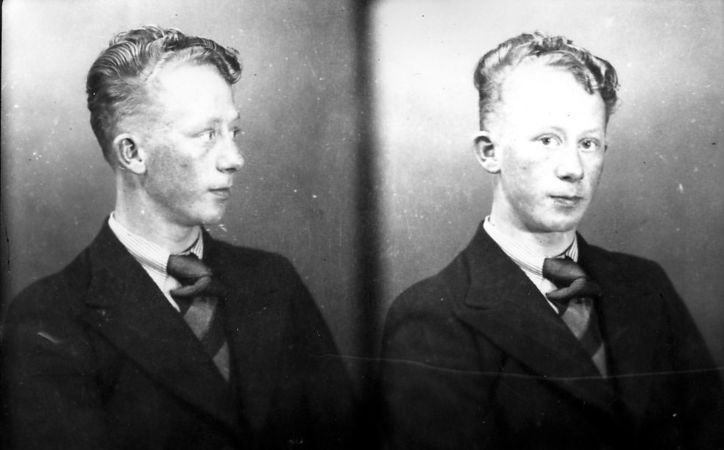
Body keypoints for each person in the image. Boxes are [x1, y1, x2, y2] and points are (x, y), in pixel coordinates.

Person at [1, 26, 358, 450]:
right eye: (207, 134)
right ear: (133, 153)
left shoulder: (274, 281)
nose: (235, 159)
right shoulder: (49, 317)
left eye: (233, 132)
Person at [380, 32, 723, 449]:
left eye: (588, 143)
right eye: (547, 139)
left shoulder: (646, 286)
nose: (573, 168)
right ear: (489, 152)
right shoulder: (432, 317)